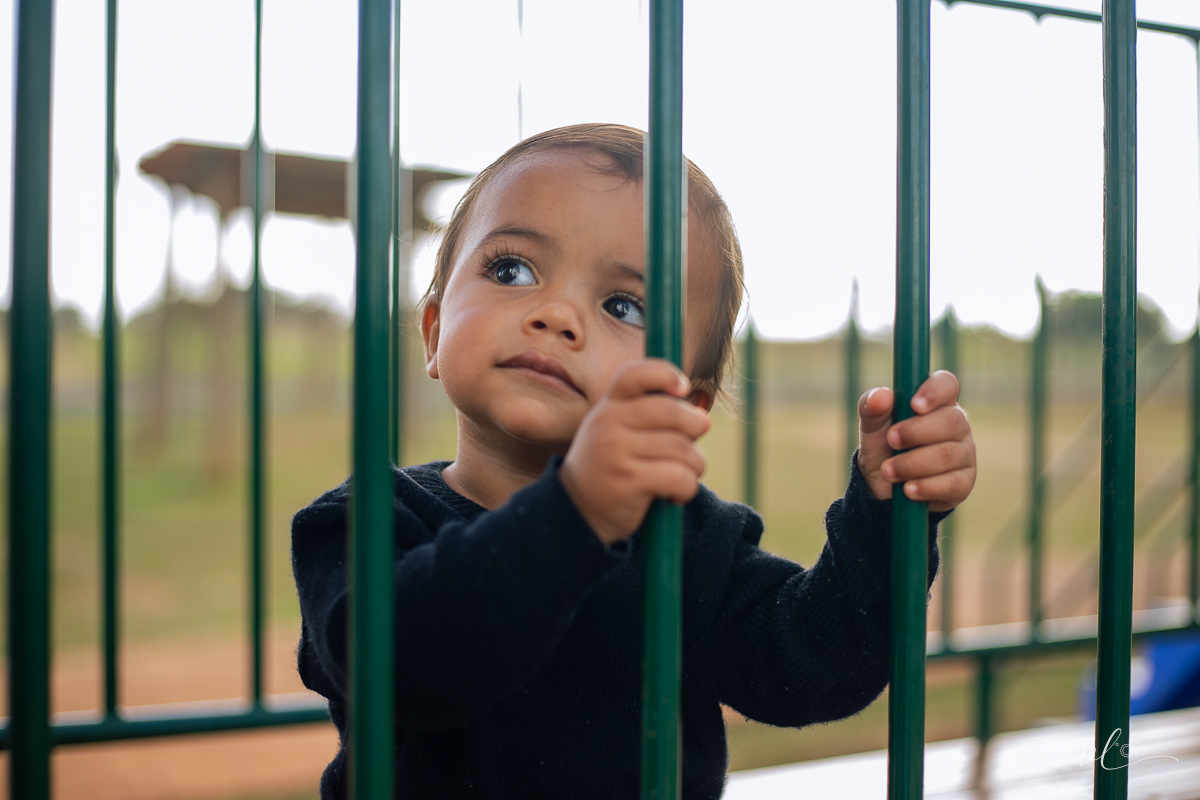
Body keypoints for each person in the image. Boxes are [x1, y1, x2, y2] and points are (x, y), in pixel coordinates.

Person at [291, 123, 977, 799]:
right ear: (435, 332)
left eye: (623, 305)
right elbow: (403, 670)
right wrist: (575, 513)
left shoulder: (689, 540)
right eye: (512, 269)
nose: (557, 314)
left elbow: (811, 667)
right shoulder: (366, 522)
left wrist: (885, 514)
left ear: (687, 404)